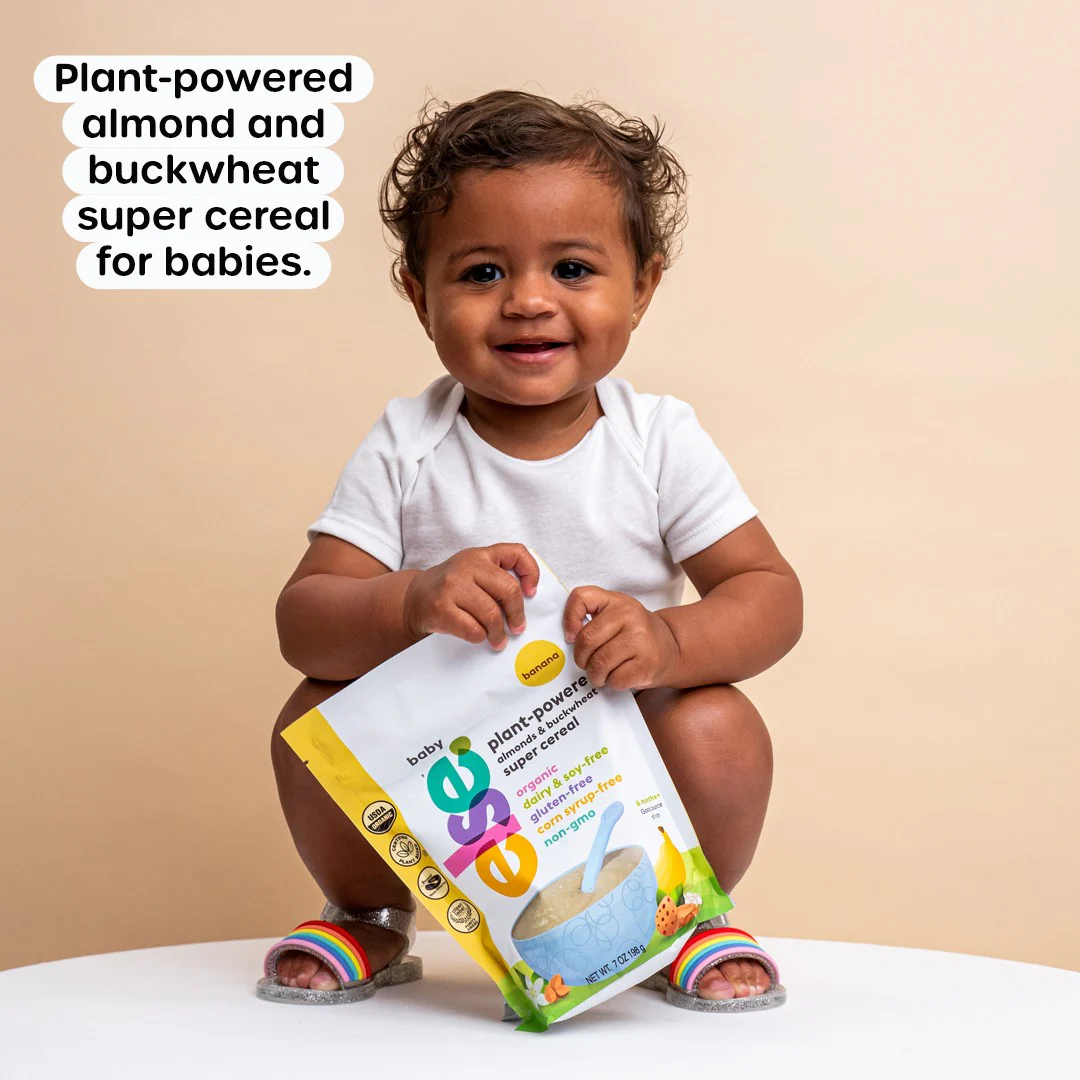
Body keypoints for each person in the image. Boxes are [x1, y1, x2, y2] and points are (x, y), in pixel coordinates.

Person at [256, 89, 802, 1012]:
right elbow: (303, 621)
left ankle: (686, 914)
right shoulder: (407, 443)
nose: (528, 302)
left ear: (644, 286)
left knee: (718, 722)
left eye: (575, 267)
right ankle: (369, 912)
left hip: (617, 766)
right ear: (416, 292)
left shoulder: (658, 439)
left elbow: (767, 593)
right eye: (479, 274)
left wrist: (669, 644)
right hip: (453, 774)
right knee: (311, 714)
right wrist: (409, 601)